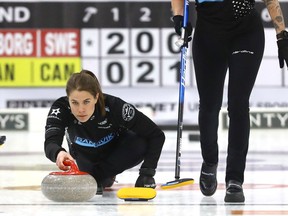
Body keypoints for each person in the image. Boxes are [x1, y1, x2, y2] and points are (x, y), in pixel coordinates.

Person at [171, 0, 288, 202]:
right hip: (208, 34)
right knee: (209, 104)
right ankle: (209, 162)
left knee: (238, 104)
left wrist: (281, 34)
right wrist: (179, 17)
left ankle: (235, 179)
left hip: (246, 33)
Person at [44, 69, 165, 194]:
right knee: (95, 181)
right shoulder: (61, 108)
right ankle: (99, 177)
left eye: (86, 101)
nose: (81, 109)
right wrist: (59, 153)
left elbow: (156, 135)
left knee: (140, 142)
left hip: (114, 156)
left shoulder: (115, 107)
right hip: (84, 158)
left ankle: (102, 176)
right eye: (74, 102)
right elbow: (50, 142)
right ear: (68, 99)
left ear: (96, 97)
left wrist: (147, 173)